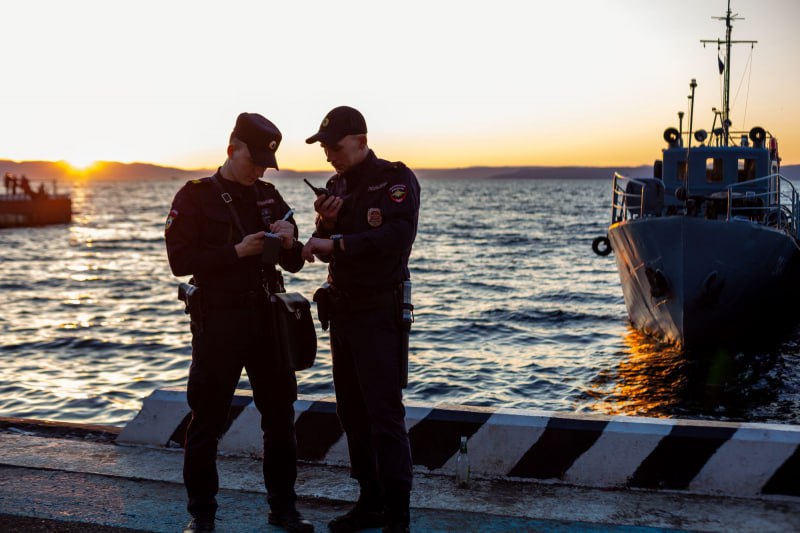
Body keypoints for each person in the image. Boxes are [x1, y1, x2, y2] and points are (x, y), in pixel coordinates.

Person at [165, 112, 313, 533]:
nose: (260, 171)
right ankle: (202, 514)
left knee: (280, 417)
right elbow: (179, 260)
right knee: (207, 420)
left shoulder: (269, 196)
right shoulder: (195, 196)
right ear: (233, 150)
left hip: (268, 321)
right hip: (219, 321)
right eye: (255, 161)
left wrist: (290, 242)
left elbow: (293, 262)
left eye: (267, 164)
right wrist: (236, 252)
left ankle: (284, 508)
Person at [302, 106, 420, 533]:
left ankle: (397, 515)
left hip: (378, 310)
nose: (328, 155)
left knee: (384, 413)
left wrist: (337, 242)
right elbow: (326, 244)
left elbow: (397, 237)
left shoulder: (394, 180)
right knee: (351, 412)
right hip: (344, 309)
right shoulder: (336, 186)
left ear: (361, 141)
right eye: (324, 148)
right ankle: (370, 501)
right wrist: (325, 222)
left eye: (334, 146)